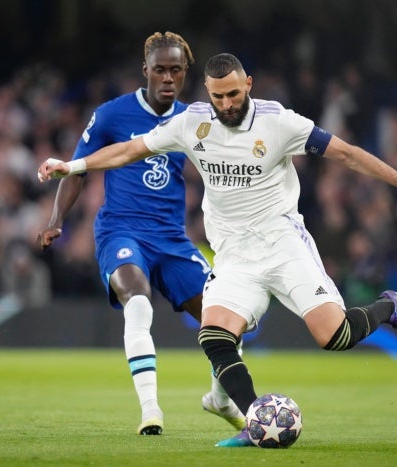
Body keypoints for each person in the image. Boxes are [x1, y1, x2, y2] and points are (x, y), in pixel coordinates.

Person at [37, 53, 397, 446]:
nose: (227, 103)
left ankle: (390, 308)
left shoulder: (279, 122)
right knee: (215, 336)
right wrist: (73, 166)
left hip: (283, 243)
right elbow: (131, 148)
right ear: (207, 91)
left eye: (234, 94)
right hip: (234, 255)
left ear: (248, 85)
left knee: (335, 336)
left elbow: (347, 155)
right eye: (218, 96)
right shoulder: (192, 124)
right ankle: (256, 419)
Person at [36, 35, 245, 436]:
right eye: (160, 69)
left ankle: (220, 399)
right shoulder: (112, 115)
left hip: (172, 238)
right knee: (138, 302)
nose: (168, 78)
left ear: (186, 74)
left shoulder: (194, 120)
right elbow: (77, 169)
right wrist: (56, 218)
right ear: (145, 71)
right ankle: (151, 411)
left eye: (176, 70)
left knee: (228, 319)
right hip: (122, 230)